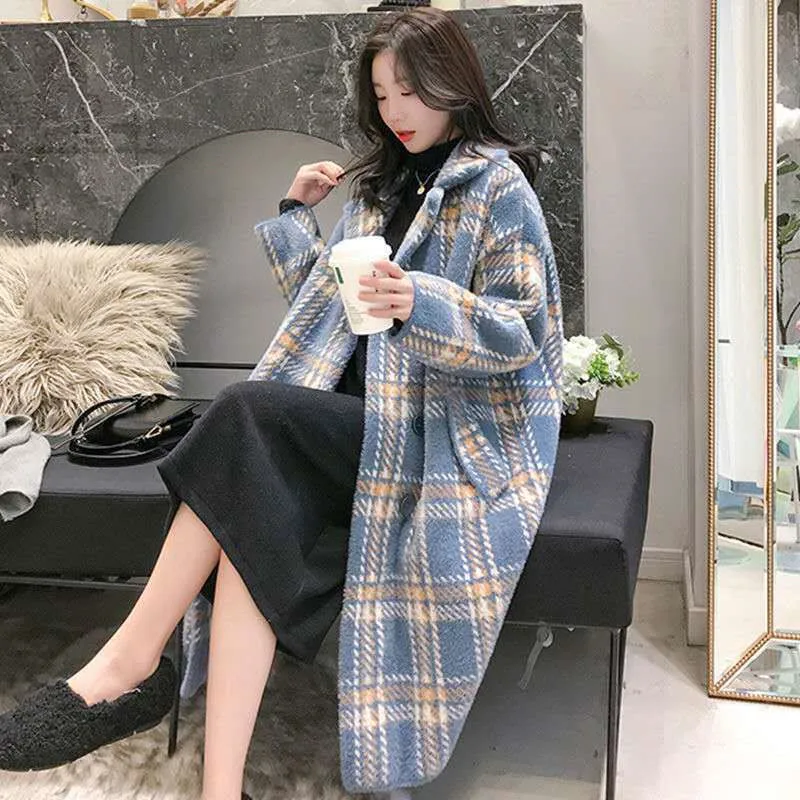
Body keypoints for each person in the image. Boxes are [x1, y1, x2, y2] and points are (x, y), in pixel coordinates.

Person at [0, 7, 563, 798]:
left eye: (409, 91)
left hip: (437, 436)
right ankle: (219, 787)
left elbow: (522, 334)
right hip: (360, 420)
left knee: (245, 410)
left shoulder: (497, 187)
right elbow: (330, 311)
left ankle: (130, 660)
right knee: (249, 527)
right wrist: (298, 220)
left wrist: (421, 301)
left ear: (453, 85)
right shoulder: (379, 188)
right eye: (382, 95)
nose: (395, 112)